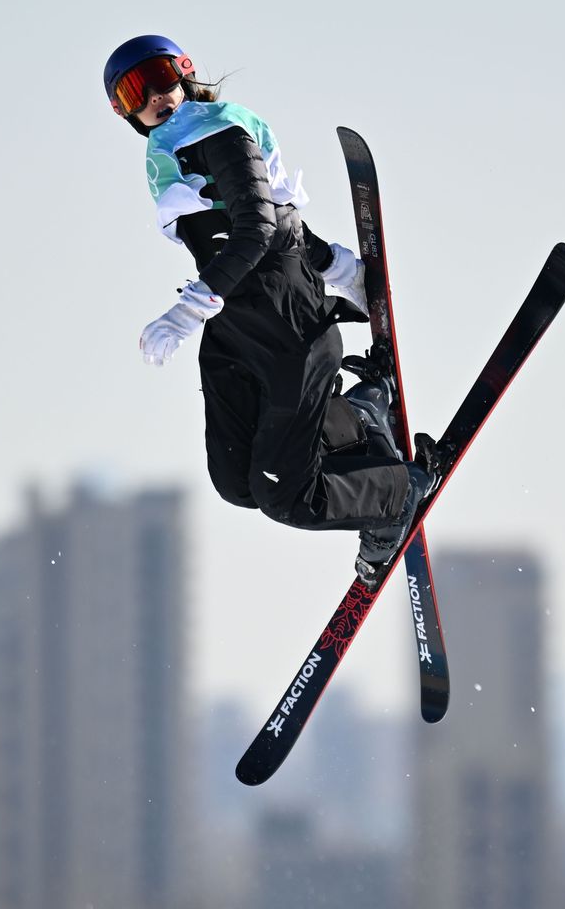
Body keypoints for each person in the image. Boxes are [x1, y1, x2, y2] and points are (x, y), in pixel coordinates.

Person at [104, 34, 435, 573]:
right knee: (237, 481)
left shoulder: (218, 130)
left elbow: (260, 224)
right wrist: (338, 264)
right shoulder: (167, 151)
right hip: (237, 329)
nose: (154, 97)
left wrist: (188, 311)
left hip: (286, 326)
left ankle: (401, 494)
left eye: (162, 77)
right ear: (124, 111)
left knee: (285, 494)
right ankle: (359, 415)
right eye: (134, 92)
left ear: (184, 72)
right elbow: (279, 219)